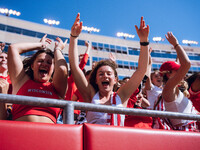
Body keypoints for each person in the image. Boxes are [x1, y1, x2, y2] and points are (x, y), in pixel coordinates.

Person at [68, 13, 149, 126]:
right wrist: (73, 37)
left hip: (118, 142)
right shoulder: (90, 95)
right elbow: (75, 66)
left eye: (109, 74)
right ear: (95, 80)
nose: (105, 76)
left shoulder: (122, 96)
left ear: (115, 79)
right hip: (95, 142)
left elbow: (141, 70)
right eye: (101, 74)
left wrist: (144, 41)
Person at [8, 34, 68, 123]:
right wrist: (40, 45)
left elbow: (62, 68)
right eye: (40, 61)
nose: (44, 64)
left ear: (53, 69)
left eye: (49, 62)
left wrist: (58, 49)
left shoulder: (56, 88)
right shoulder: (21, 80)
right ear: (32, 66)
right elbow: (13, 48)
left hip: (49, 134)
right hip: (20, 132)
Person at [154, 32, 198, 131]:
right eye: (178, 70)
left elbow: (182, 63)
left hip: (190, 132)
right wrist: (176, 44)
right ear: (168, 75)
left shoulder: (172, 89)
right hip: (185, 135)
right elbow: (186, 64)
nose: (183, 74)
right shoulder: (168, 89)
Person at [0, 43, 12, 120]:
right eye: (1, 57)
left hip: (9, 112)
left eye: (6, 58)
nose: (4, 59)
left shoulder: (14, 78)